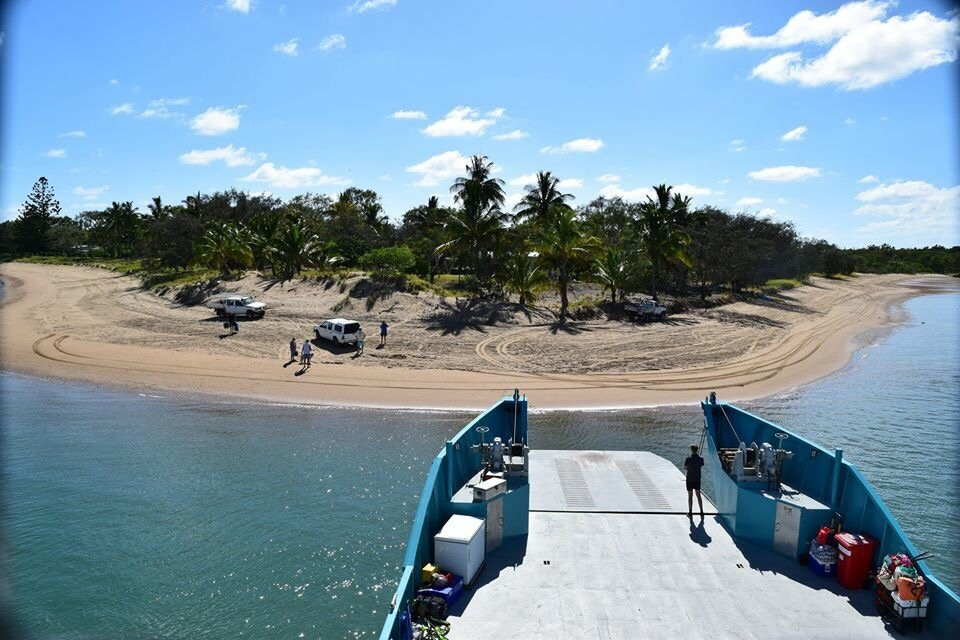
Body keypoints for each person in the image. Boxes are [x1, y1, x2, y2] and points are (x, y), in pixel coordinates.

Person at [684, 444, 705, 518]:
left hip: (689, 479)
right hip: (697, 479)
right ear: (697, 450)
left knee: (690, 496)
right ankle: (701, 512)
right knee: (698, 495)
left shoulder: (688, 459)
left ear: (692, 450)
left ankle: (690, 513)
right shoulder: (701, 459)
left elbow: (685, 468)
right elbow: (701, 465)